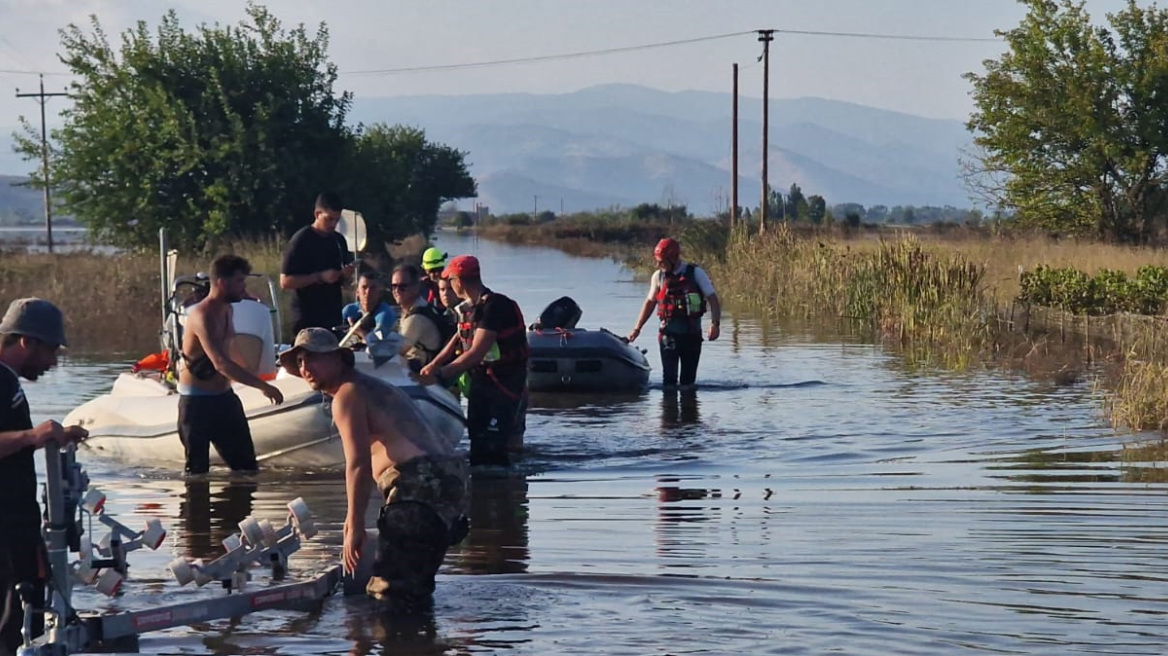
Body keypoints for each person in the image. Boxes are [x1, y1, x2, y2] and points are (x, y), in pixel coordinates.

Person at [278, 328, 467, 610]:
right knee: (414, 591)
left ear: (339, 360)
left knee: (390, 597)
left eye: (314, 358)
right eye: (301, 361)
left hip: (418, 488)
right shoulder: (370, 386)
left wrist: (353, 524)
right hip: (449, 483)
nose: (306, 367)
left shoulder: (347, 394)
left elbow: (358, 464)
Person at [0, 298, 88, 653]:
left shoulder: (7, 380)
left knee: (28, 607)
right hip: (5, 526)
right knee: (18, 620)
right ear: (27, 342)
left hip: (14, 519)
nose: (53, 361)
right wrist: (32, 436)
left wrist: (49, 440)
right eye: (51, 349)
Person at [178, 255, 284, 475]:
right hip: (196, 404)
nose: (243, 288)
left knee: (247, 469)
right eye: (239, 282)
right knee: (197, 474)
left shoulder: (228, 309)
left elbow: (233, 349)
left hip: (225, 399)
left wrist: (257, 376)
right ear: (222, 283)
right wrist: (263, 386)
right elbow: (221, 363)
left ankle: (236, 508)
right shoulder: (202, 315)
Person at [419, 256, 528, 466]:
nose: (449, 287)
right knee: (477, 443)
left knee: (495, 447)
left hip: (504, 386)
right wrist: (434, 364)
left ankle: (504, 492)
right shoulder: (468, 309)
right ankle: (481, 493)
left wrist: (442, 374)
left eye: (450, 282)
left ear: (458, 281)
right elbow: (460, 336)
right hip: (481, 383)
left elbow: (476, 352)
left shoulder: (495, 307)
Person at [627, 238, 722, 389]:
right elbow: (650, 303)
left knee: (688, 382)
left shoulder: (695, 273)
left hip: (692, 335)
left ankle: (690, 410)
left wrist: (715, 324)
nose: (659, 265)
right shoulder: (658, 277)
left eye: (662, 261)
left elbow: (713, 299)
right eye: (657, 261)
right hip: (668, 335)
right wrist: (637, 329)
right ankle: (668, 411)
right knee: (669, 382)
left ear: (674, 258)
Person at [280, 191, 357, 332]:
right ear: (317, 214)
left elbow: (343, 280)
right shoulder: (301, 240)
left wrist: (345, 275)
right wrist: (319, 277)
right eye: (329, 219)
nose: (333, 224)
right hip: (307, 317)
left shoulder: (339, 240)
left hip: (332, 315)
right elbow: (285, 281)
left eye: (337, 220)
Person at [390, 264, 455, 368]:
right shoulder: (421, 307)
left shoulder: (416, 319)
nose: (396, 291)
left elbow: (393, 352)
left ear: (416, 288)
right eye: (394, 286)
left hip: (428, 375)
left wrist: (364, 335)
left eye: (402, 287)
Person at [342, 271, 398, 346]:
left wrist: (358, 331)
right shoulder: (349, 311)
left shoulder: (386, 314)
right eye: (364, 287)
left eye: (373, 288)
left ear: (380, 293)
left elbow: (377, 344)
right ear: (357, 292)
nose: (368, 292)